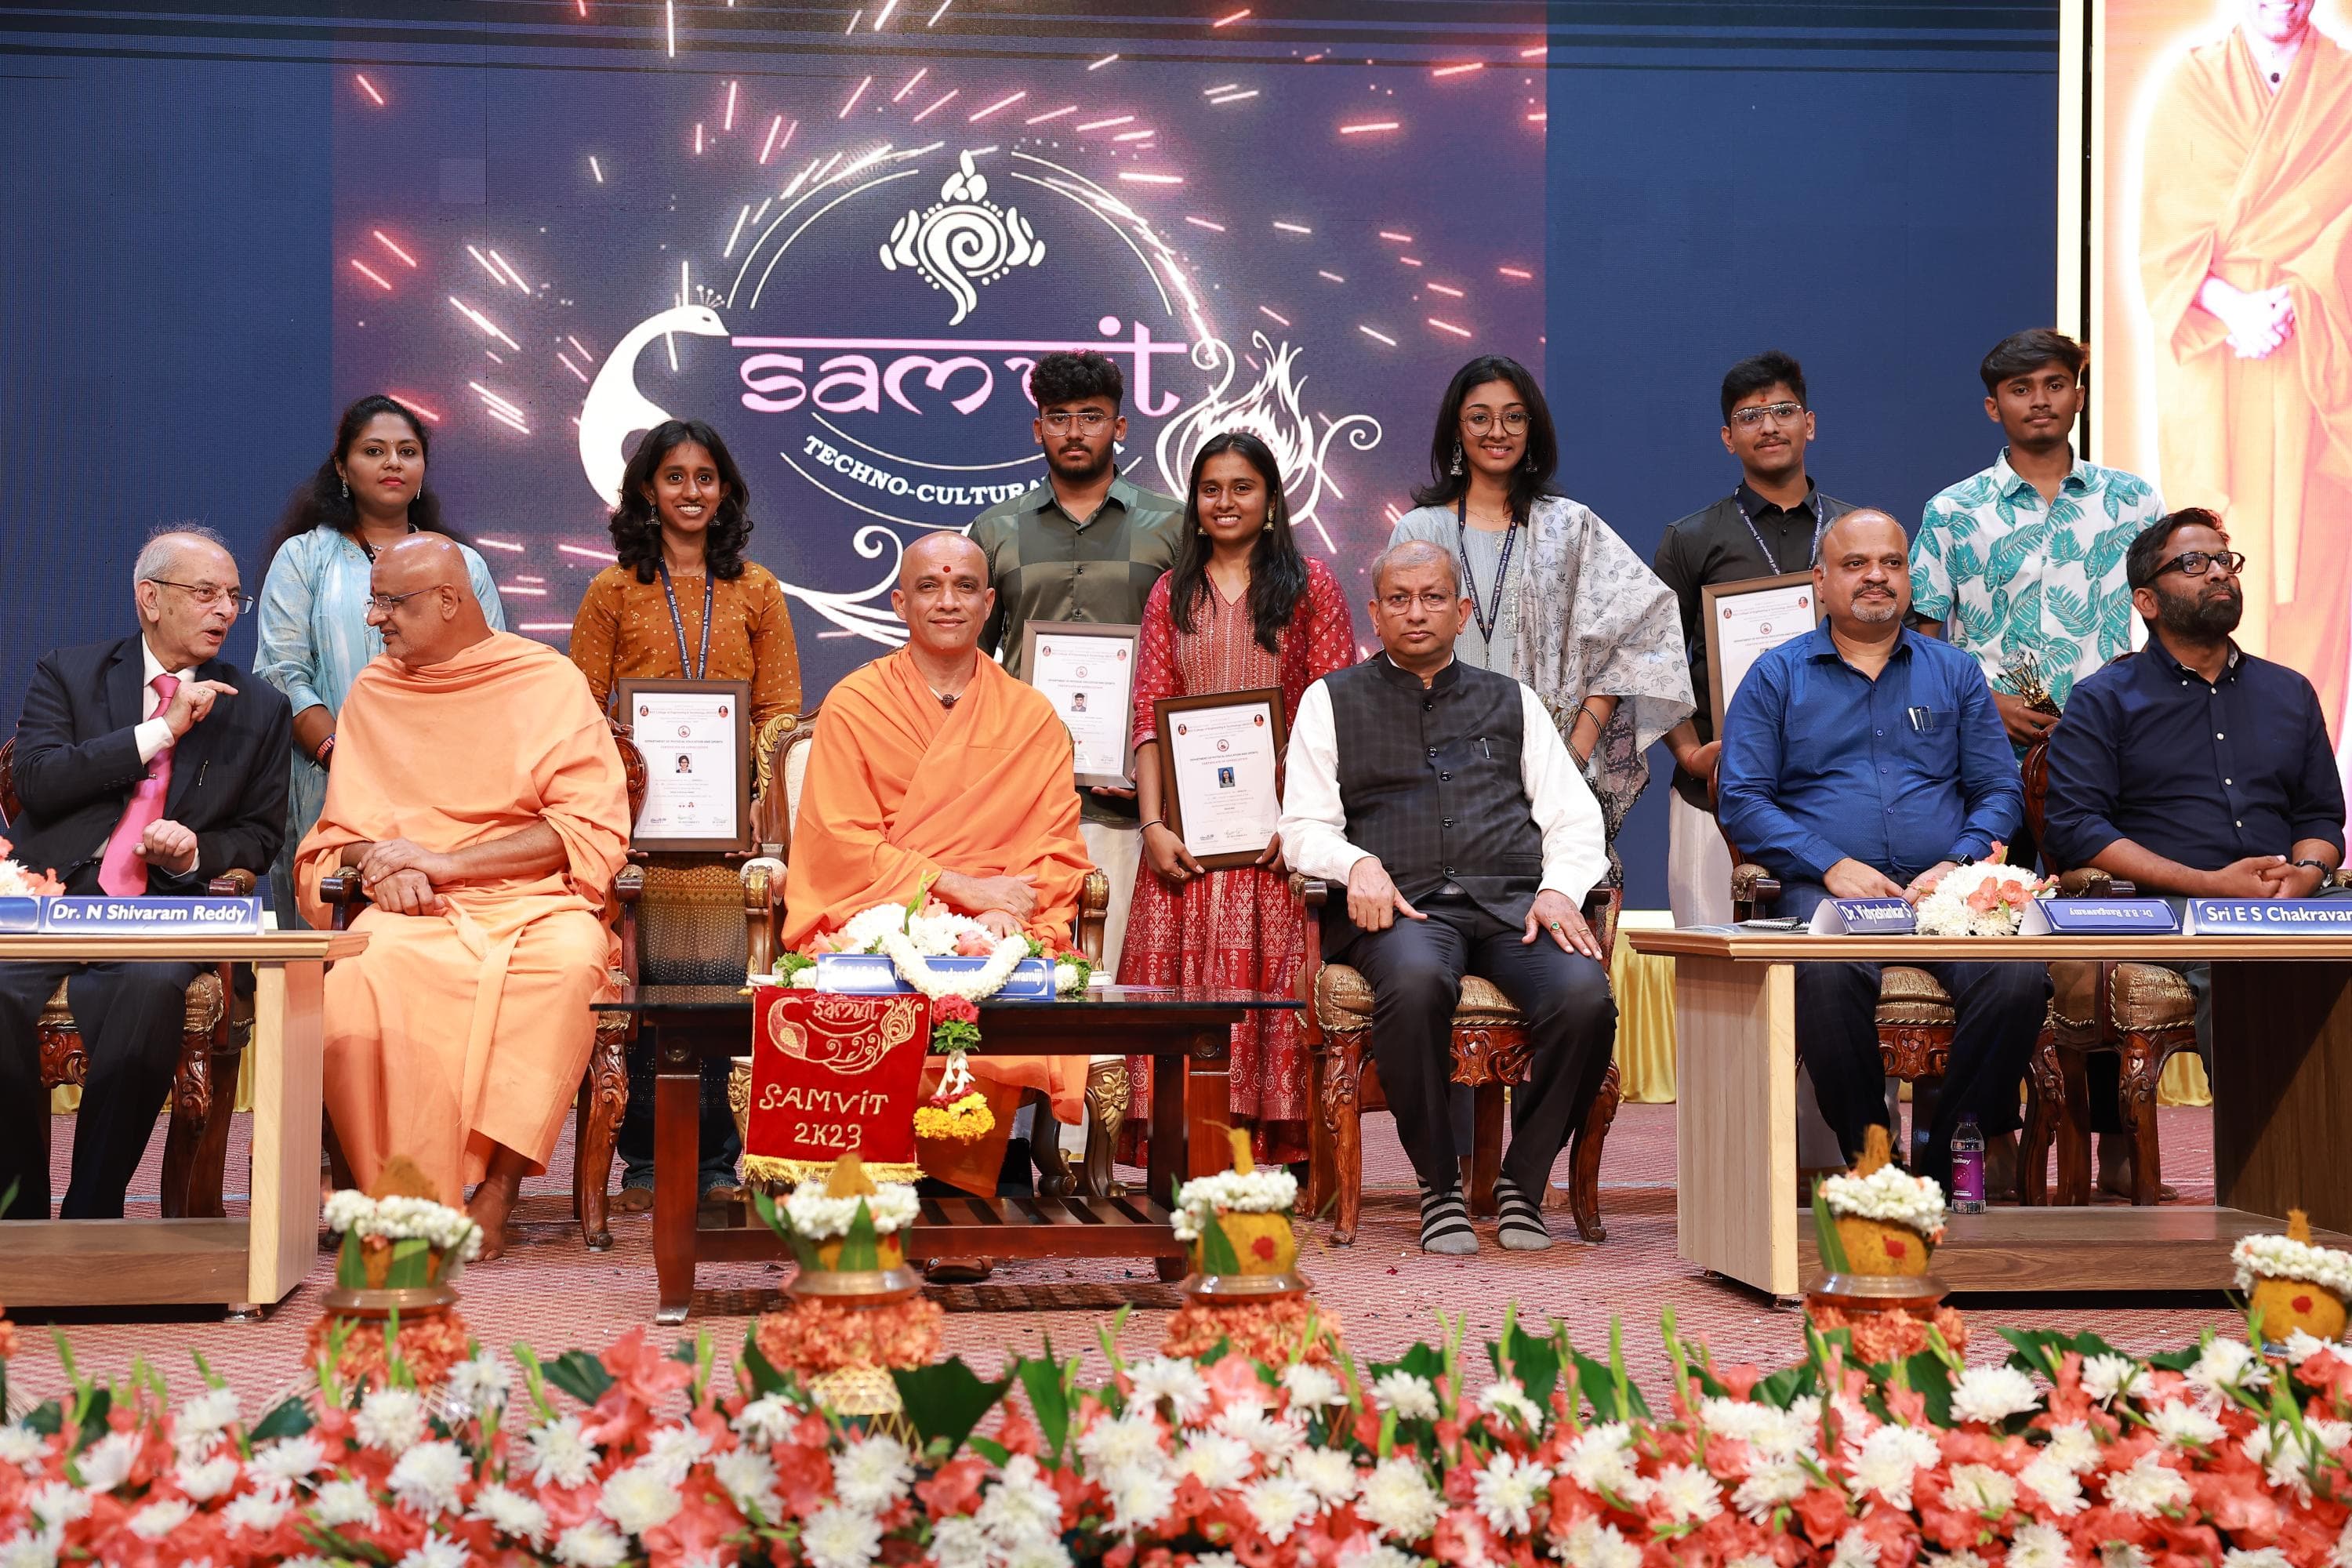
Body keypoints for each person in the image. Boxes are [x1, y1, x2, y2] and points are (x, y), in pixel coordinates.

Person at [1388, 355, 1689, 1171]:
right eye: (1479, 415)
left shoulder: (1571, 526)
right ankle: (1443, 1170)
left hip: (1549, 782)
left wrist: (1577, 748)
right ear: (1456, 427)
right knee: (1431, 963)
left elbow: (1649, 629)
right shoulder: (1418, 533)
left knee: (1570, 985)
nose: (1496, 430)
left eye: (1513, 415)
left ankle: (1530, 1167)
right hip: (1439, 788)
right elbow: (1396, 654)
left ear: (1534, 430)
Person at [1280, 539, 1617, 1255]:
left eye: (1434, 597)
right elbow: (1302, 827)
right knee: (1413, 979)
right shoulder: (1330, 701)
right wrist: (1356, 862)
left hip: (1511, 908)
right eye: (1398, 599)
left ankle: (1523, 1185)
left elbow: (1574, 815)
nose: (1417, 612)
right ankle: (1438, 1188)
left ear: (1463, 611)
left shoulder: (1511, 700)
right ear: (1374, 613)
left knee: (1586, 997)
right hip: (1402, 911)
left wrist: (1559, 890)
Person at [297, 535, 630, 1256]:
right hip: (411, 907)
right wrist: (384, 863)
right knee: (359, 978)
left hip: (533, 901)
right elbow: (343, 832)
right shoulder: (376, 691)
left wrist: (445, 863)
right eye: (373, 600)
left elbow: (584, 824)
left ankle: (499, 1192)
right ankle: (394, 1193)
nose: (375, 619)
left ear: (449, 601)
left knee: (572, 964)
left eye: (390, 602)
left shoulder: (545, 680)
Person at [1718, 510, 2045, 1193]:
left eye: (1891, 564)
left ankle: (1947, 1150)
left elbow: (1997, 791)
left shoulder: (1954, 674)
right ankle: (1872, 1158)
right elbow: (1744, 799)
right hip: (1825, 890)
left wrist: (1956, 864)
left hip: (1946, 896)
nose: (1876, 577)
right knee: (1827, 974)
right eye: (1856, 564)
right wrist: (1828, 862)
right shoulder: (1776, 676)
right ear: (1820, 580)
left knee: (2018, 977)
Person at [784, 531, 1094, 1216]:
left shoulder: (1031, 716)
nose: (946, 601)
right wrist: (953, 887)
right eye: (928, 587)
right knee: (858, 980)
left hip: (1001, 920)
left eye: (963, 588)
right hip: (879, 913)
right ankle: (867, 1194)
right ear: (899, 602)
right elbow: (839, 844)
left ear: (989, 604)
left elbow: (1057, 847)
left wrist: (1006, 913)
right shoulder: (856, 704)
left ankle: (973, 1193)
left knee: (997, 978)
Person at [0, 529, 291, 1220]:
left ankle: (92, 1213)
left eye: (233, 597)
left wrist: (193, 853)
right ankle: (16, 1223)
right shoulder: (68, 673)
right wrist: (159, 732)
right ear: (149, 599)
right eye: (205, 593)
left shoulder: (259, 707)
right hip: (57, 901)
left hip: (166, 913)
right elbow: (36, 783)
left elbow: (259, 835)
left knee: (151, 984)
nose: (225, 609)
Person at [568, 419, 803, 1214]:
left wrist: (751, 801)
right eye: (675, 476)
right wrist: (623, 779)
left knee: (727, 995)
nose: (692, 490)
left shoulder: (758, 588)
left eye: (707, 475)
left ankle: (724, 1153)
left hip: (729, 840)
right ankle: (644, 1159)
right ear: (645, 489)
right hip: (639, 835)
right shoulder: (611, 590)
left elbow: (779, 712)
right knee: (647, 997)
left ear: (726, 489)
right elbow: (582, 710)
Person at [1120, 432, 1355, 1168]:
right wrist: (1152, 825)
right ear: (1194, 506)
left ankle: (1268, 1155)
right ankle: (1187, 1151)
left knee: (1269, 993)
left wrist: (1304, 822)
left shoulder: (1311, 583)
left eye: (1242, 487)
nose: (1226, 501)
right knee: (1182, 1002)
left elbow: (1329, 715)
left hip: (1272, 842)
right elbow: (1149, 713)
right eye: (1211, 489)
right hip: (1184, 847)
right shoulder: (1172, 592)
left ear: (1271, 499)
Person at [2044, 508, 2346, 1079]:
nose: (2218, 574)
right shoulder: (2104, 699)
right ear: (2147, 601)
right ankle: (2262, 1160)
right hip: (2171, 906)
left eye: (2225, 561)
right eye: (2193, 563)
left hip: (2290, 899)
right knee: (2239, 958)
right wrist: (2212, 886)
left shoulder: (2289, 691)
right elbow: (2077, 827)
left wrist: (2305, 872)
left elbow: (2321, 816)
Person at [2138, 0, 2352, 736]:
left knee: (2315, 582)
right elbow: (2160, 235)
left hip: (2318, 372)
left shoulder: (2347, 85)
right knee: (2207, 569)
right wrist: (2236, 307)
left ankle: (2311, 802)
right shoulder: (2189, 84)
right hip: (2219, 366)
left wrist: (2301, 293)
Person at [969, 351, 1182, 983]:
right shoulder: (995, 528)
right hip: (1021, 797)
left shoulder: (1171, 526)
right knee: (1024, 974)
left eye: (1091, 417)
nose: (1073, 432)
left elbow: (1191, 660)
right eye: (1057, 418)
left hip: (1136, 801)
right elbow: (971, 663)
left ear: (1119, 427)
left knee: (1116, 976)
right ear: (1038, 429)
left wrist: (1160, 768)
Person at [256, 396, 506, 929]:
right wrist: (340, 756)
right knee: (330, 960)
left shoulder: (461, 565)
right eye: (375, 450)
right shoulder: (304, 558)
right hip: (329, 784)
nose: (393, 462)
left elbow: (491, 672)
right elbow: (283, 676)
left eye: (407, 451)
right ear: (344, 468)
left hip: (448, 790)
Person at [1653, 350, 1857, 927]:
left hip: (1840, 785)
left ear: (1809, 424)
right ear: (1727, 437)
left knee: (1832, 974)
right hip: (1715, 787)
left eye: (1783, 410)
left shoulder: (1856, 535)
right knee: (1714, 972)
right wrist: (1690, 754)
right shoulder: (1690, 538)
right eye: (1749, 416)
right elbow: (1652, 662)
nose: (1768, 426)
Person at [1911, 331, 2163, 768]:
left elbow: (2171, 617)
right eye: (2021, 389)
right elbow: (1921, 640)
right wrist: (1983, 702)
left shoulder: (2134, 501)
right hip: (1986, 745)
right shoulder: (1952, 510)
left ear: (2079, 396)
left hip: (2113, 740)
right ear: (1993, 407)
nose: (2040, 400)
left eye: (2055, 384)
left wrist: (2131, 694)